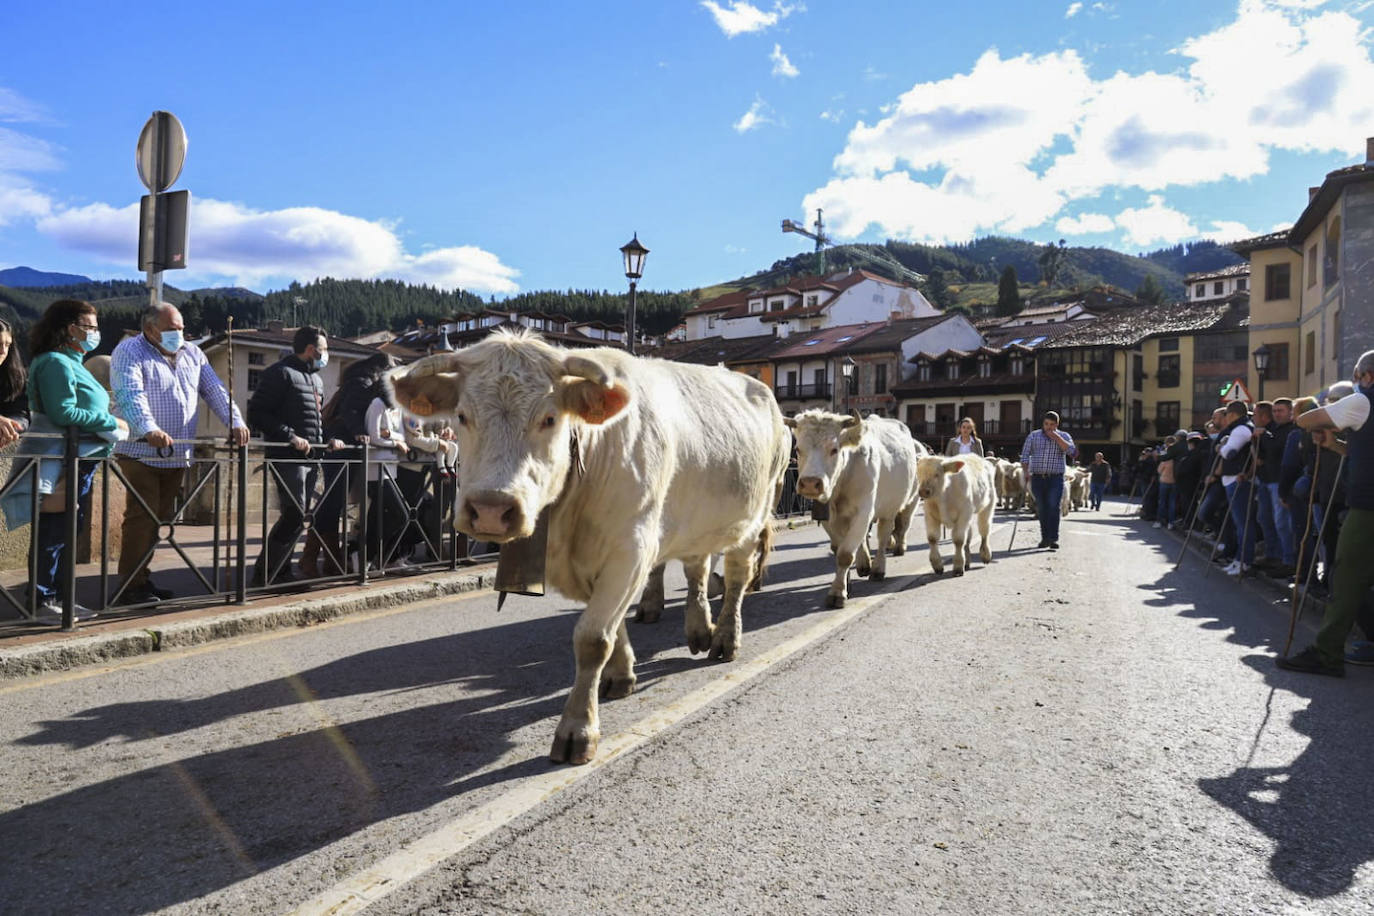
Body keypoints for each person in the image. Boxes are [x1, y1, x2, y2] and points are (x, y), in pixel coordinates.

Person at [110, 303, 249, 604]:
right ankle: (129, 587)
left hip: (178, 453)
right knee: (141, 517)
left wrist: (235, 421)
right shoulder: (129, 351)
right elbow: (129, 393)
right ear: (150, 329)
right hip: (140, 450)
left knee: (159, 519)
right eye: (172, 329)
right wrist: (148, 428)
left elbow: (214, 391)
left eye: (182, 327)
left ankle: (141, 578)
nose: (180, 334)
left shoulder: (193, 354)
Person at [13, 300, 127, 620]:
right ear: (68, 328)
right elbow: (62, 411)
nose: (94, 333)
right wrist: (112, 424)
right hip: (60, 459)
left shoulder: (73, 363)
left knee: (65, 531)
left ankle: (59, 599)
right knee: (53, 531)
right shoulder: (55, 362)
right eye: (89, 327)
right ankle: (41, 600)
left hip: (79, 459)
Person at [1276, 349, 1374, 677]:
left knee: (1345, 577)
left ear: (1367, 376)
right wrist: (1335, 445)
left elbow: (1305, 420)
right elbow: (1361, 452)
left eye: (1359, 378)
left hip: (1368, 509)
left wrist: (1320, 409)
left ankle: (1327, 652)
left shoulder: (1363, 402)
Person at [246, 326, 343, 586]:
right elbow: (257, 413)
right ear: (311, 350)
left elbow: (315, 422)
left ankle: (279, 572)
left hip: (311, 458)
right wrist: (290, 436)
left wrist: (327, 441)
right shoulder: (279, 374)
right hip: (286, 456)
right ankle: (268, 574)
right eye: (324, 350)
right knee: (294, 514)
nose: (326, 355)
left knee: (299, 516)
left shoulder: (316, 380)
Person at [1019, 410, 1075, 550]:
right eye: (1046, 424)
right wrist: (1026, 472)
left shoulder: (1064, 436)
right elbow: (1025, 455)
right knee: (1042, 508)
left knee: (1053, 506)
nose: (1048, 427)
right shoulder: (1034, 436)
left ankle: (1053, 538)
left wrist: (1057, 438)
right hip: (1037, 478)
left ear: (1056, 424)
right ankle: (1045, 538)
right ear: (1043, 423)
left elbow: (1073, 453)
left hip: (1055, 478)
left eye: (1051, 424)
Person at [1216, 401, 1258, 577]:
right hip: (1231, 479)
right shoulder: (1238, 428)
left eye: (1226, 415)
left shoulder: (1241, 429)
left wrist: (1220, 447)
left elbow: (1229, 453)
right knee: (1239, 523)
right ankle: (1238, 559)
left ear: (1232, 414)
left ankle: (1244, 561)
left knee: (1243, 524)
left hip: (1238, 479)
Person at [1259, 397, 1297, 577]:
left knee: (1282, 523)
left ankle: (1288, 560)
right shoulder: (1272, 429)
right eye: (1274, 411)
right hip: (1266, 479)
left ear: (1290, 412)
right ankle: (1273, 555)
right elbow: (1262, 454)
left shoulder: (1291, 430)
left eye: (1280, 411)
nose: (1276, 414)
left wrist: (1263, 436)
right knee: (1265, 519)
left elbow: (1275, 447)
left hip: (1280, 482)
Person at [0, 318, 30, 448]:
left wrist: (12, 425)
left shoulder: (14, 378)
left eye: (7, 345)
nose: (3, 351)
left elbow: (22, 413)